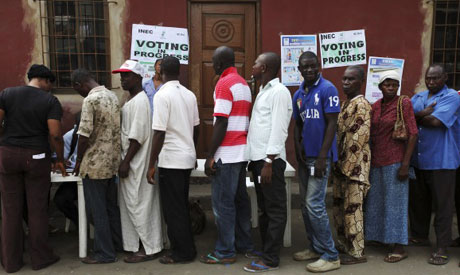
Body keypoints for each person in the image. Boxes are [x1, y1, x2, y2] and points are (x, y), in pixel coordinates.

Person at [0, 64, 66, 273]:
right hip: (36, 157)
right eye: (50, 85)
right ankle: (40, 258)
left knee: (10, 211)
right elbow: (55, 134)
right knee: (37, 209)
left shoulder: (7, 94)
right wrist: (60, 159)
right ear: (46, 81)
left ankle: (11, 262)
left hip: (8, 155)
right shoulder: (49, 100)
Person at [200, 46, 254, 265]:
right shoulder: (243, 84)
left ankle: (225, 251)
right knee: (240, 200)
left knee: (223, 204)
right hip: (242, 152)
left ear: (221, 63)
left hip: (227, 154)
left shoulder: (223, 84)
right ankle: (244, 244)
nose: (213, 65)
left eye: (214, 61)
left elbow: (221, 120)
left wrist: (210, 155)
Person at [147, 56, 199, 264]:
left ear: (161, 73)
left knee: (173, 209)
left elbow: (158, 133)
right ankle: (186, 249)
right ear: (178, 72)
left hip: (170, 160)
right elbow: (196, 128)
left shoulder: (162, 95)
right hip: (185, 157)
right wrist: (193, 151)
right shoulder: (189, 95)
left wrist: (151, 164)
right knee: (180, 206)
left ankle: (182, 253)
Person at [292, 51, 340, 273]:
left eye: (313, 66)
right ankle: (315, 247)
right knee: (304, 204)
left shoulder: (328, 89)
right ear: (299, 70)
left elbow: (332, 124)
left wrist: (323, 156)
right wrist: (297, 147)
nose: (309, 70)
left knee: (315, 204)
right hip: (305, 157)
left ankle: (331, 255)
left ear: (319, 66)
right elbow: (298, 125)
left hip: (320, 158)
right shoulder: (299, 93)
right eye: (305, 67)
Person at [243, 52, 292, 272]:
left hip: (269, 161)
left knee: (275, 209)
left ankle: (271, 258)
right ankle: (265, 250)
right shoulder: (264, 90)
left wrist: (269, 161)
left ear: (264, 68)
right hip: (258, 160)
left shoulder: (280, 92)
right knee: (264, 209)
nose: (252, 67)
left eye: (255, 63)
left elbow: (280, 128)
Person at [364, 71, 418, 263]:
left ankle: (399, 246)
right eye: (387, 84)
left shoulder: (403, 103)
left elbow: (413, 134)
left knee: (396, 205)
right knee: (377, 202)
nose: (391, 87)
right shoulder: (376, 106)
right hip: (377, 160)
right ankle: (380, 238)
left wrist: (405, 164)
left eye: (394, 84)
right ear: (380, 87)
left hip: (395, 161)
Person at [409, 64, 460, 265]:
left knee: (443, 207)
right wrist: (422, 114)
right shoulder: (419, 97)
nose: (431, 82)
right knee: (419, 201)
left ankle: (442, 247)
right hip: (419, 159)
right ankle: (420, 236)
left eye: (436, 78)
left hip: (442, 161)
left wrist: (416, 117)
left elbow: (436, 123)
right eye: (429, 78)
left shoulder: (452, 97)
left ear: (445, 78)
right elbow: (405, 117)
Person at [112, 60, 163, 263]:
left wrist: (126, 162)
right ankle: (137, 245)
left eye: (128, 75)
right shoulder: (131, 100)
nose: (123, 79)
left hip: (137, 162)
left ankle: (149, 248)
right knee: (133, 204)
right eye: (122, 75)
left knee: (139, 203)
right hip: (132, 161)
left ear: (139, 78)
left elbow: (137, 137)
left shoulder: (141, 101)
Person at [71, 68, 123, 264]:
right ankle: (117, 244)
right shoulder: (112, 96)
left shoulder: (90, 100)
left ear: (79, 85)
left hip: (94, 165)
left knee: (97, 210)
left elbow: (83, 135)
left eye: (77, 90)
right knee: (111, 207)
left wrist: (78, 161)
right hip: (112, 162)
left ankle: (104, 253)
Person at [331, 66, 371, 264]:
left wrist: (346, 167)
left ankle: (357, 252)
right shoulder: (345, 103)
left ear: (360, 82)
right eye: (344, 79)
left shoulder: (362, 105)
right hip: (341, 168)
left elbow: (358, 139)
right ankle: (344, 245)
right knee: (340, 209)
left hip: (354, 169)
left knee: (353, 210)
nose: (345, 82)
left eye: (351, 79)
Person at [53, 112, 81, 228]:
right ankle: (80, 223)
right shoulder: (71, 136)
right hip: (74, 179)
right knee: (61, 200)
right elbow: (59, 157)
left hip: (93, 177)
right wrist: (61, 161)